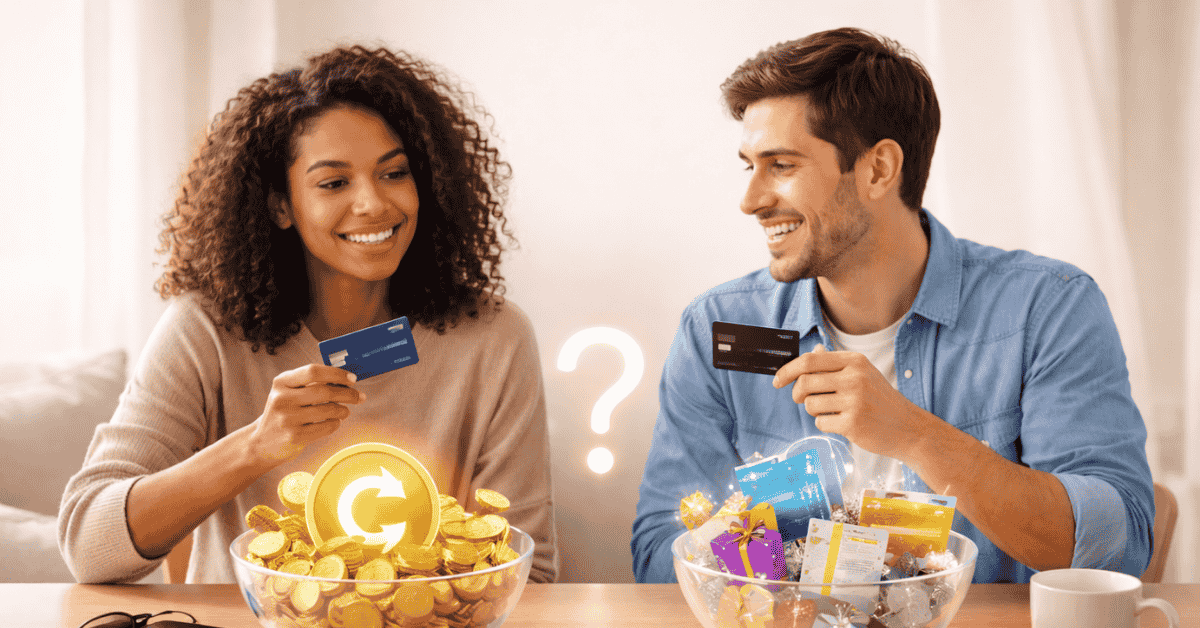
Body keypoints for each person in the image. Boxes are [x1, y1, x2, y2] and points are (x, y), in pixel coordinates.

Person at [632, 27, 1154, 584]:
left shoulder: (1047, 309)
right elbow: (661, 550)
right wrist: (799, 576)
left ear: (878, 169)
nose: (751, 200)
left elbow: (1115, 547)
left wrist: (915, 435)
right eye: (749, 166)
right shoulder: (720, 329)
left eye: (781, 165)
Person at [60, 45, 558, 584]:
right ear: (280, 205)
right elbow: (88, 545)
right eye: (334, 183)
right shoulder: (204, 329)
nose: (373, 204)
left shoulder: (495, 337)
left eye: (394, 173)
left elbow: (527, 572)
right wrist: (255, 446)